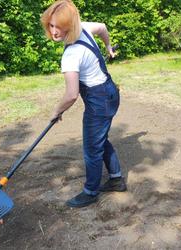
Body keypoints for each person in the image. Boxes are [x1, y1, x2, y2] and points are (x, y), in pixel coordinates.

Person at [41, 0, 127, 208]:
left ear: (70, 24)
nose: (54, 31)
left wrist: (56, 111)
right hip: (109, 91)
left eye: (59, 26)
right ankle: (116, 179)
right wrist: (108, 47)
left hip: (99, 101)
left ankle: (90, 191)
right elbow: (103, 28)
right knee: (99, 139)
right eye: (51, 25)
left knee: (92, 148)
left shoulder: (71, 55)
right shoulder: (85, 27)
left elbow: (71, 95)